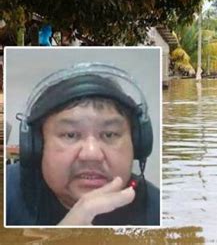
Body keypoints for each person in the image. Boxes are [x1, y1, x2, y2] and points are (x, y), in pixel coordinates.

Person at [6, 63, 160, 226]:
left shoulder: (158, 211)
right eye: (70, 135)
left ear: (138, 144)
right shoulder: (8, 190)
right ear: (37, 146)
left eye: (109, 134)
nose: (91, 154)